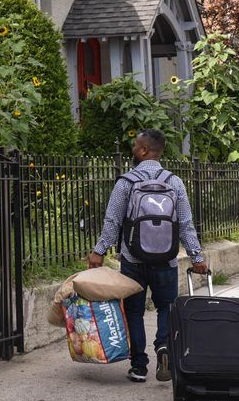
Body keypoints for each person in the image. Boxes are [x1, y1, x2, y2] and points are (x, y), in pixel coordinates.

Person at [88, 129, 208, 384]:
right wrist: (197, 257)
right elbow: (185, 223)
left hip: (133, 259)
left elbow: (113, 220)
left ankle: (139, 366)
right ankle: (163, 347)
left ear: (143, 151)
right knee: (166, 306)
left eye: (135, 145)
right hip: (166, 259)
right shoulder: (174, 181)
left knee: (134, 311)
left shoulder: (127, 182)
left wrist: (99, 250)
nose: (133, 149)